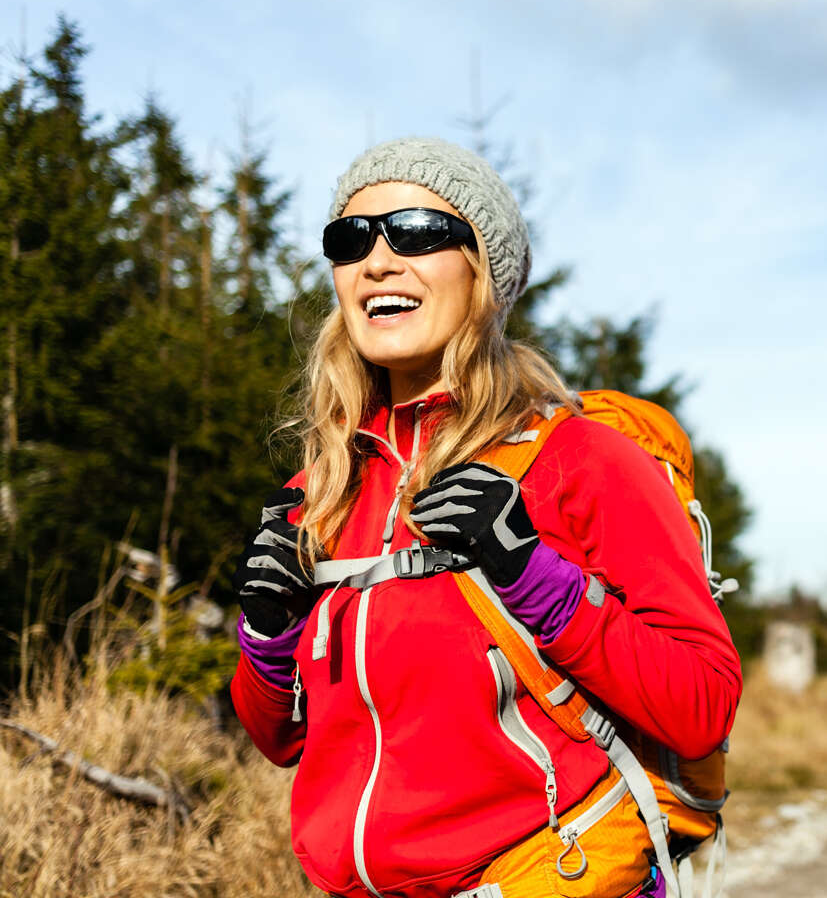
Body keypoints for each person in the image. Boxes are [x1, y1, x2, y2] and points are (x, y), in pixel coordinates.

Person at [229, 137, 742, 898]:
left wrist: (539, 580)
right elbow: (281, 741)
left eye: (417, 232)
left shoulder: (581, 461)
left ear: (487, 274)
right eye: (351, 239)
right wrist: (267, 639)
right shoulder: (322, 490)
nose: (377, 261)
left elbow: (701, 705)